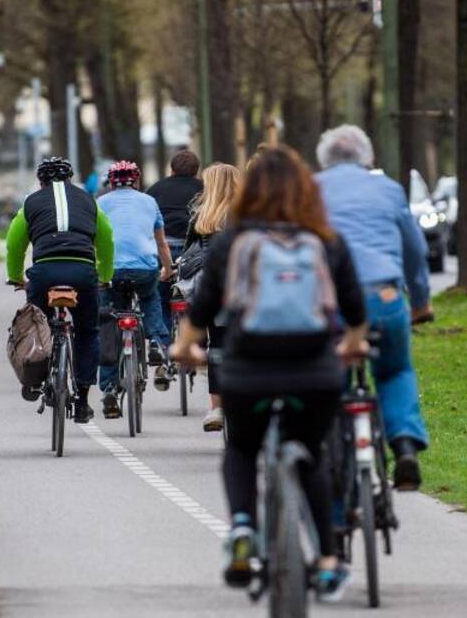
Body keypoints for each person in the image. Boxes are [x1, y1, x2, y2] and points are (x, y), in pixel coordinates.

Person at [170, 147, 368, 601]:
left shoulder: (234, 241)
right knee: (312, 452)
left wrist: (186, 348)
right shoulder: (324, 238)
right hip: (312, 371)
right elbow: (354, 308)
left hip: (247, 368)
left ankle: (242, 525)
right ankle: (329, 560)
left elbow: (201, 308)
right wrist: (353, 344)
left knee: (241, 447)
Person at [315, 125, 433, 491]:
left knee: (324, 371)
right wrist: (421, 301)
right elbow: (415, 250)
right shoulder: (389, 189)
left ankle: (330, 450)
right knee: (395, 369)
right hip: (385, 296)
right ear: (368, 158)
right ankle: (404, 445)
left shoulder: (311, 189)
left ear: (324, 159)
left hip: (330, 299)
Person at [5, 157, 114, 423]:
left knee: (34, 325)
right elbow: (106, 239)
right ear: (70, 178)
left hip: (44, 272)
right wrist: (105, 276)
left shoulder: (31, 202)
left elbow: (14, 243)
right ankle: (83, 401)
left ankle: (33, 378)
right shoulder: (89, 201)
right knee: (87, 332)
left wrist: (15, 277)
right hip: (82, 272)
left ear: (40, 181)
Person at [97, 160, 175, 416]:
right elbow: (161, 244)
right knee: (151, 298)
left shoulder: (101, 204)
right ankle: (157, 345)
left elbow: (94, 243)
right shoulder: (149, 202)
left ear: (111, 182)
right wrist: (168, 270)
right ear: (136, 180)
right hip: (144, 269)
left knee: (109, 321)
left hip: (112, 271)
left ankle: (109, 388)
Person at [183, 163, 241, 433]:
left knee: (216, 346)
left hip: (212, 286)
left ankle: (216, 407)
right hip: (244, 285)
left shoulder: (201, 214)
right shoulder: (248, 213)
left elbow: (187, 252)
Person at [146, 149, 204, 332]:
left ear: (171, 169)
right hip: (193, 252)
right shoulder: (204, 188)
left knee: (161, 300)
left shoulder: (156, 188)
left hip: (163, 250)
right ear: (197, 171)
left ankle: (163, 347)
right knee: (194, 299)